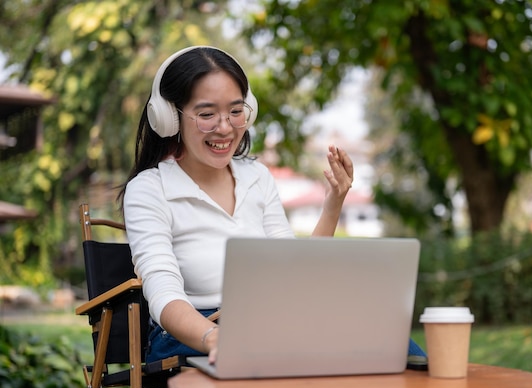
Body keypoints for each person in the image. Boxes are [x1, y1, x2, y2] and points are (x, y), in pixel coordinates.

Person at [119, 46, 425, 365]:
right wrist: (217, 338)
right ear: (169, 116)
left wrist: (334, 203)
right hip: (193, 334)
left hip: (269, 324)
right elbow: (164, 295)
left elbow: (295, 277)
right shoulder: (149, 189)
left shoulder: (257, 176)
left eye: (236, 111)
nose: (225, 128)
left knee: (390, 341)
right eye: (207, 114)